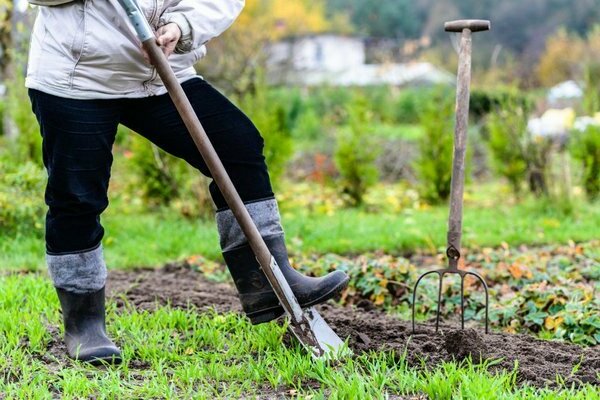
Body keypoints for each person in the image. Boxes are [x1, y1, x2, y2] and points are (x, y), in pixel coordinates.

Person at [26, 0, 349, 365]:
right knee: (78, 195)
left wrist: (183, 26)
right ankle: (84, 324)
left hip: (161, 71)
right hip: (78, 77)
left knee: (236, 145)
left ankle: (267, 280)